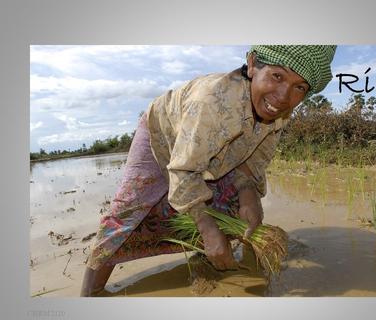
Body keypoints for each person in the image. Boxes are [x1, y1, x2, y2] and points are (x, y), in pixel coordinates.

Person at [80, 45, 337, 296]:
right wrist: (206, 228)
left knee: (233, 205)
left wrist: (248, 192)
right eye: (277, 76)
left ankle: (206, 259)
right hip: (162, 134)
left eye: (299, 87)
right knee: (128, 213)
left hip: (210, 145)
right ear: (251, 64)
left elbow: (255, 160)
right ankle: (90, 293)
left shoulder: (279, 110)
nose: (283, 96)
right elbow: (183, 171)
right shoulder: (211, 101)